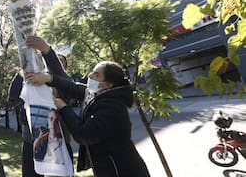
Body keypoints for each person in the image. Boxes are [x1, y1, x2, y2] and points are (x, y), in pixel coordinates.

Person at [25, 60, 151, 177]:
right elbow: (73, 88)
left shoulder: (112, 108)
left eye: (96, 74)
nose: (90, 75)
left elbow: (83, 135)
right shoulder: (99, 95)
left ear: (107, 84)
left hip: (122, 171)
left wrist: (63, 107)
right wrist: (48, 78)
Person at [8, 37, 73, 177]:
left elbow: (66, 84)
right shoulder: (31, 81)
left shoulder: (64, 84)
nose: (54, 65)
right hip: (31, 142)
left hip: (58, 143)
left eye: (60, 62)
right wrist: (21, 73)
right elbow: (13, 96)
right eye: (55, 60)